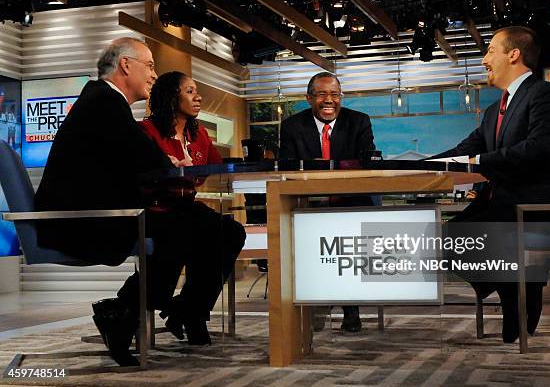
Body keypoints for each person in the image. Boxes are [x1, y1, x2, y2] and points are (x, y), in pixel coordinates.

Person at [34, 38, 245, 366]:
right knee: (179, 227)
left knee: (217, 229)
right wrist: (171, 167)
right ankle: (122, 312)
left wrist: (169, 168)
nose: (153, 74)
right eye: (149, 66)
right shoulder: (104, 101)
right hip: (79, 221)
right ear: (125, 65)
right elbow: (146, 159)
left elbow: (138, 161)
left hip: (99, 212)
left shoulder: (104, 101)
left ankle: (171, 311)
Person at [433, 26, 550, 342]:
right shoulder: (493, 111)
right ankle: (520, 280)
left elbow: (540, 148)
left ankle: (522, 280)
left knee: (471, 239)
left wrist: (480, 162)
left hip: (536, 205)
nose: (484, 59)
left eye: (490, 50)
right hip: (501, 202)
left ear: (513, 54)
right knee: (444, 240)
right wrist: (417, 166)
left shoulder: (545, 93)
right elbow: (463, 150)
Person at [139, 71, 244, 344]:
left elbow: (214, 167)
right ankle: (191, 314)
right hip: (156, 210)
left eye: (196, 91)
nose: (198, 97)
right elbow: (141, 177)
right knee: (200, 233)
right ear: (171, 97)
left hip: (186, 207)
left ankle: (188, 309)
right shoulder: (146, 131)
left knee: (231, 231)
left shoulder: (200, 135)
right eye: (189, 91)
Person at [279, 71, 375, 333]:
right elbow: (287, 168)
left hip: (350, 203)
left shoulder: (359, 122)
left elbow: (366, 163)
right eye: (321, 94)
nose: (329, 100)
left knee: (345, 234)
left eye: (334, 94)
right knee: (309, 234)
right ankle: (315, 304)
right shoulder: (292, 126)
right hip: (310, 205)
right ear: (309, 98)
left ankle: (349, 307)